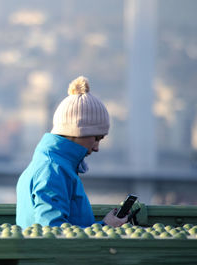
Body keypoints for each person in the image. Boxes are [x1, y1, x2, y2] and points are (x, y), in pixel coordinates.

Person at [16, 76, 128, 228]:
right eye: (96, 138)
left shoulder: (51, 164)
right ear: (78, 132)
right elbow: (52, 233)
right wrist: (105, 228)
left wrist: (103, 225)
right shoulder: (53, 170)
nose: (96, 147)